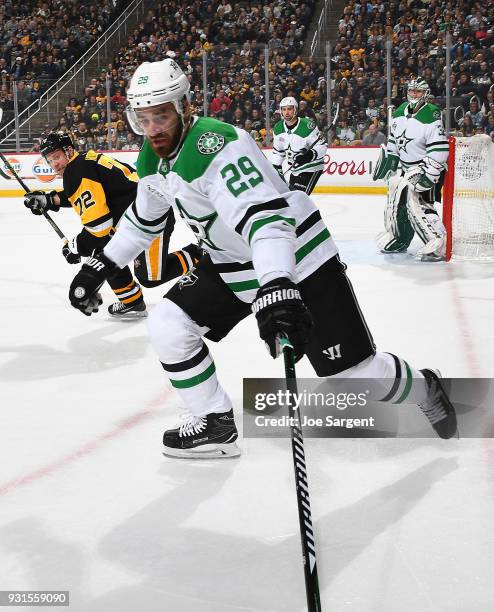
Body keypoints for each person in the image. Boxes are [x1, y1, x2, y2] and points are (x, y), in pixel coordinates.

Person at [67, 59, 458, 458]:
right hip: (232, 266)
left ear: (184, 106)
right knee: (169, 323)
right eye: (143, 119)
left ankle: (425, 386)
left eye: (161, 116)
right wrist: (100, 265)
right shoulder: (151, 160)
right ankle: (214, 422)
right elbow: (140, 222)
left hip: (298, 260)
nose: (152, 129)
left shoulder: (216, 144)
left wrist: (278, 283)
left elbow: (267, 223)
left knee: (352, 378)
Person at [23, 132, 202, 317]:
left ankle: (199, 254)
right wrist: (48, 200)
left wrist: (75, 246)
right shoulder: (83, 162)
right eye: (50, 161)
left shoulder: (76, 172)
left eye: (57, 157)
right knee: (104, 252)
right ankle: (131, 301)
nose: (55, 165)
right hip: (135, 215)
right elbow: (80, 194)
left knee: (149, 277)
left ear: (68, 151)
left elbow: (99, 228)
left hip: (151, 218)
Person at [372, 77, 449, 260]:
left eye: (418, 91)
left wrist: (429, 174)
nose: (414, 94)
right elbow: (393, 141)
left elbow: (439, 147)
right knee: (396, 203)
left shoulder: (431, 113)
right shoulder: (399, 111)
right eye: (412, 91)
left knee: (420, 206)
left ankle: (437, 242)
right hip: (407, 169)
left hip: (427, 168)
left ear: (425, 94)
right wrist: (390, 160)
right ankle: (400, 238)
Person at [272, 96, 327, 195]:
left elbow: (322, 146)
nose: (287, 112)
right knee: (292, 198)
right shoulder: (278, 128)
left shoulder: (307, 126)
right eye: (284, 109)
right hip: (295, 169)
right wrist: (276, 168)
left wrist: (308, 156)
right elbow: (278, 153)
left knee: (298, 197)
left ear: (295, 109)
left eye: (289, 109)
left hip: (311, 167)